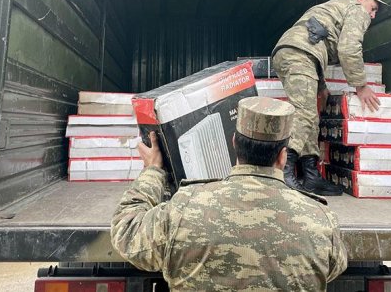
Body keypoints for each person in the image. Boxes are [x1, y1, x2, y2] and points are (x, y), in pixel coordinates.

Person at [111, 96, 347, 291]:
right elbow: (334, 266)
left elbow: (126, 232)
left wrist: (153, 171)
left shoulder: (184, 208)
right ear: (283, 156)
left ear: (234, 142)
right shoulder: (319, 220)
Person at [272, 0, 387, 195]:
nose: (371, 15)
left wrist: (322, 85)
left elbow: (318, 39)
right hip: (300, 55)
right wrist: (361, 86)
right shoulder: (356, 9)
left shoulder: (335, 7)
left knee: (310, 117)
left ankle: (311, 176)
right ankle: (283, 172)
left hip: (295, 54)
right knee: (304, 114)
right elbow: (349, 47)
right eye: (373, 8)